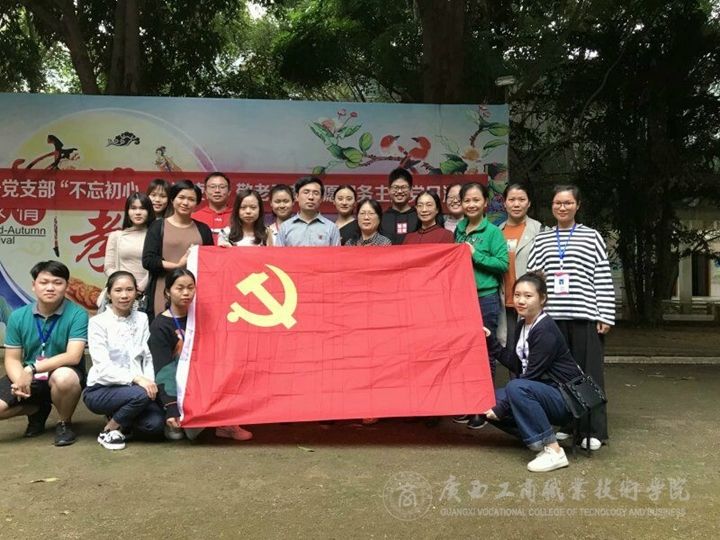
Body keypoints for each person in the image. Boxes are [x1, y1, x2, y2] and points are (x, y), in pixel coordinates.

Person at [527, 184, 614, 450]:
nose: (562, 207)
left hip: (585, 316)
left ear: (578, 206)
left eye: (567, 203)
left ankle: (593, 430)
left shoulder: (591, 237)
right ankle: (568, 424)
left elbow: (602, 278)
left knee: (589, 374)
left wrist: (605, 315)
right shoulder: (542, 239)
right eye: (557, 203)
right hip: (552, 319)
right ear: (551, 206)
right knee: (559, 375)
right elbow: (533, 277)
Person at [482, 271, 582, 473]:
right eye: (517, 295)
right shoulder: (523, 324)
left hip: (566, 399)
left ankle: (554, 450)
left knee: (515, 388)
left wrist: (501, 409)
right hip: (542, 392)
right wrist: (491, 340)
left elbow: (530, 376)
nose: (521, 301)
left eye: (528, 296)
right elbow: (516, 364)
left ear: (542, 299)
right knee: (485, 402)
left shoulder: (545, 329)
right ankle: (536, 437)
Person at [148, 269, 252, 441]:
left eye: (190, 287)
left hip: (206, 379)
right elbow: (163, 369)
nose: (186, 293)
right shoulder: (160, 325)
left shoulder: (203, 317)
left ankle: (226, 423)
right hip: (179, 384)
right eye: (179, 288)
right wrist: (172, 406)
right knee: (188, 434)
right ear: (167, 292)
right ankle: (175, 417)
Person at [0, 261, 88, 446]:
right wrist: (20, 382)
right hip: (30, 376)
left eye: (57, 282)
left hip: (62, 372)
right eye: (44, 282)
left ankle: (64, 423)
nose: (50, 288)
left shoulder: (78, 314)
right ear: (34, 285)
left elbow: (73, 356)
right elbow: (12, 359)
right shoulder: (18, 316)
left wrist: (31, 369)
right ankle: (36, 410)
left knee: (64, 378)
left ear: (66, 286)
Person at [83, 271, 164, 450]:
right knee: (141, 395)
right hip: (101, 389)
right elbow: (103, 367)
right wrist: (138, 380)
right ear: (109, 294)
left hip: (136, 389)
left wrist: (149, 382)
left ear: (136, 292)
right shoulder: (98, 322)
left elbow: (147, 356)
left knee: (155, 426)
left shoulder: (142, 318)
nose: (124, 295)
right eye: (118, 290)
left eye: (129, 289)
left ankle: (121, 417)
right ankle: (109, 429)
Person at [453, 181, 508, 429]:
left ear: (485, 203)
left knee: (485, 352)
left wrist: (475, 255)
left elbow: (502, 264)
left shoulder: (493, 232)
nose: (471, 204)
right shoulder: (459, 230)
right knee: (463, 351)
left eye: (476, 200)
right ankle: (466, 402)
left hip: (486, 298)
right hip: (461, 300)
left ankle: (481, 407)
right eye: (467, 200)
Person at [142, 179, 214, 322]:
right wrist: (177, 266)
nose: (185, 203)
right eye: (181, 197)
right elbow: (148, 260)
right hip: (163, 289)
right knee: (163, 328)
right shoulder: (158, 226)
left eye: (191, 199)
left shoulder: (203, 229)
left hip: (194, 292)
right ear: (172, 199)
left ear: (197, 203)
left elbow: (211, 263)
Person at [497, 183, 543, 349]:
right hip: (505, 302)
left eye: (521, 199)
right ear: (504, 203)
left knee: (531, 348)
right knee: (509, 349)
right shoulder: (497, 231)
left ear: (529, 203)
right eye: (512, 200)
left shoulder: (540, 230)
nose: (516, 204)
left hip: (530, 302)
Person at [103, 192, 155, 302]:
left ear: (149, 211)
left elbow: (155, 267)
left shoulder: (155, 236)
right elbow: (108, 267)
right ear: (127, 211)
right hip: (120, 295)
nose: (138, 212)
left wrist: (139, 288)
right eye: (133, 208)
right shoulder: (116, 236)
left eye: (142, 208)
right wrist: (125, 286)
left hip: (147, 294)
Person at [275, 177, 341, 247]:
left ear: (321, 198)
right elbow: (278, 253)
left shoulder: (331, 228)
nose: (310, 197)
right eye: (306, 192)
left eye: (316, 193)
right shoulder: (285, 227)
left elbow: (337, 254)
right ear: (297, 196)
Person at [380, 168, 418, 244]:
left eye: (403, 187)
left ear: (411, 190)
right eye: (396, 187)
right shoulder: (380, 218)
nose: (400, 191)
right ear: (388, 190)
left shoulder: (420, 217)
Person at [193, 172, 233, 244]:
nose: (217, 191)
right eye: (212, 187)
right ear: (206, 192)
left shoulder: (238, 217)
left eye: (222, 187)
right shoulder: (194, 217)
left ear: (229, 192)